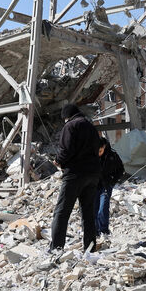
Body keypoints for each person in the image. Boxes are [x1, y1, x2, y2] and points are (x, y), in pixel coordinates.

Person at [49, 104, 101, 252]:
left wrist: (58, 161)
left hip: (75, 175)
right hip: (93, 174)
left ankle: (56, 248)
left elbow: (66, 149)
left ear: (67, 116)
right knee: (88, 213)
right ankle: (90, 248)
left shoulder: (71, 126)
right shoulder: (91, 127)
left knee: (62, 212)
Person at [94, 137, 125, 237]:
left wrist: (113, 181)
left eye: (100, 150)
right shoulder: (92, 154)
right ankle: (95, 231)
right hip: (94, 185)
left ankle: (104, 230)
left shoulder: (112, 155)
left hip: (106, 185)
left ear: (104, 146)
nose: (98, 153)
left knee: (103, 208)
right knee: (94, 208)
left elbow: (121, 170)